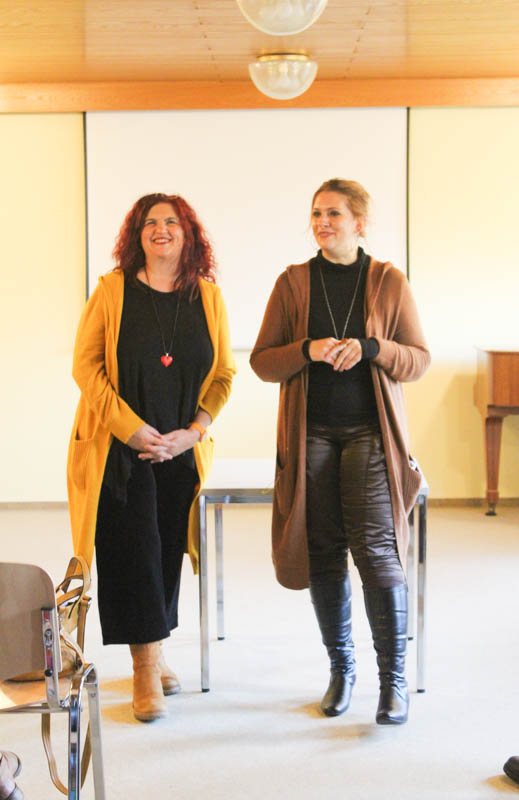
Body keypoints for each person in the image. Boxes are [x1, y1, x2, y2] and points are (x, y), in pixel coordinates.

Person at [250, 178, 430, 725]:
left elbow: (418, 359)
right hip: (312, 435)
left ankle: (392, 683)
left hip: (370, 434)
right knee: (324, 551)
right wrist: (307, 349)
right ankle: (341, 669)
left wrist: (373, 348)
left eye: (333, 213)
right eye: (316, 214)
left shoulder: (388, 281)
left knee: (376, 551)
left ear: (359, 222)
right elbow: (262, 361)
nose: (322, 223)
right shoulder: (292, 282)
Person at [67, 193, 235, 722]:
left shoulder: (207, 296)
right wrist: (132, 429)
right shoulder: (111, 290)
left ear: (189, 234)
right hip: (121, 450)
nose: (161, 229)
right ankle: (144, 669)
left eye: (171, 222)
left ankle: (156, 651)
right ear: (136, 234)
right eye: (150, 223)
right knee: (133, 550)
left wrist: (193, 432)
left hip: (180, 451)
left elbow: (223, 375)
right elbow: (86, 368)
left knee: (165, 552)